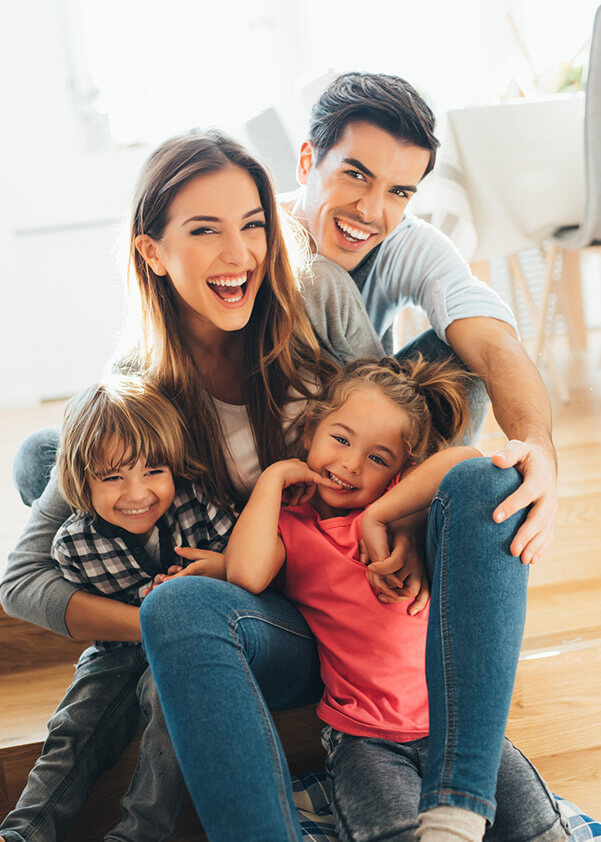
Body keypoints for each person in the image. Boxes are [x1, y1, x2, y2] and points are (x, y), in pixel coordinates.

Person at [0, 129, 563, 840]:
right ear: (151, 250)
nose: (239, 255)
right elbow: (21, 579)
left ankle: (458, 805)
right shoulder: (141, 385)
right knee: (156, 580)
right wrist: (153, 618)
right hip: (275, 614)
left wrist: (404, 522)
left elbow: (387, 420)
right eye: (205, 231)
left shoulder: (315, 292)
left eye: (254, 225)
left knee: (484, 479)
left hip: (362, 585)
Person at [224, 355, 569, 842]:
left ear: (398, 470)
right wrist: (275, 477)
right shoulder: (291, 525)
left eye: (377, 457)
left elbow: (467, 463)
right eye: (340, 439)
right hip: (362, 737)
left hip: (454, 725)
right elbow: (244, 573)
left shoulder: (406, 507)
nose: (350, 464)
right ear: (309, 430)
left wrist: (377, 515)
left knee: (540, 830)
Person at [282, 71, 558, 569]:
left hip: (371, 449)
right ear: (307, 162)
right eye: (356, 174)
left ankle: (406, 518)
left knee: (460, 361)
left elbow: (494, 347)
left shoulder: (407, 243)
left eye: (399, 192)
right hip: (282, 447)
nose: (370, 210)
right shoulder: (253, 243)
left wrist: (539, 448)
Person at [1, 375, 235, 842]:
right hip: (115, 648)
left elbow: (249, 568)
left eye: (153, 472)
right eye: (112, 478)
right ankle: (24, 831)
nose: (136, 494)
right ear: (79, 484)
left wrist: (222, 571)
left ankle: (138, 834)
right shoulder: (71, 543)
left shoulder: (201, 507)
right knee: (75, 724)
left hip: (185, 648)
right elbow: (28, 588)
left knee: (166, 703)